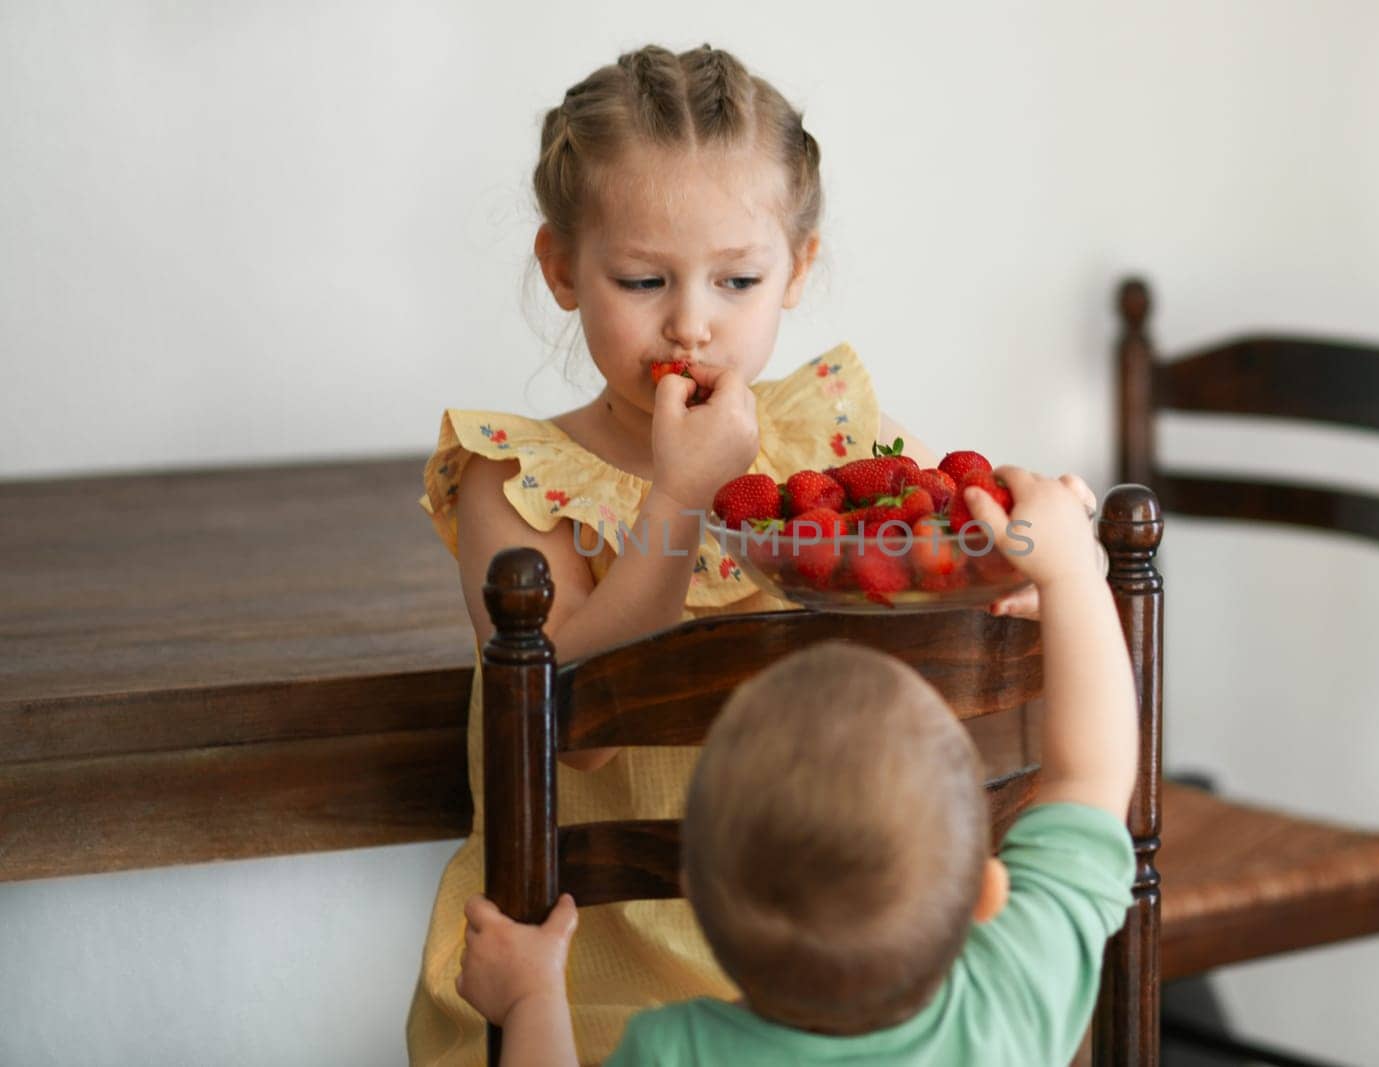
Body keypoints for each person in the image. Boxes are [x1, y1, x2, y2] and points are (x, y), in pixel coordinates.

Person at [407, 42, 957, 1066]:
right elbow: (574, 725)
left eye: (737, 278)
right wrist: (682, 492)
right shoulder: (514, 479)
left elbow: (948, 550)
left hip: (809, 966)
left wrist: (1006, 579)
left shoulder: (832, 442)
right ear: (563, 268)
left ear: (798, 269)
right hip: (584, 986)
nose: (691, 322)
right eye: (644, 277)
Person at [457, 468, 1139, 1066]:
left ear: (696, 889)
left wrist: (531, 997)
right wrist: (1072, 572)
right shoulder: (1011, 996)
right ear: (986, 890)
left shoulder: (677, 1050)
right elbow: (1091, 774)